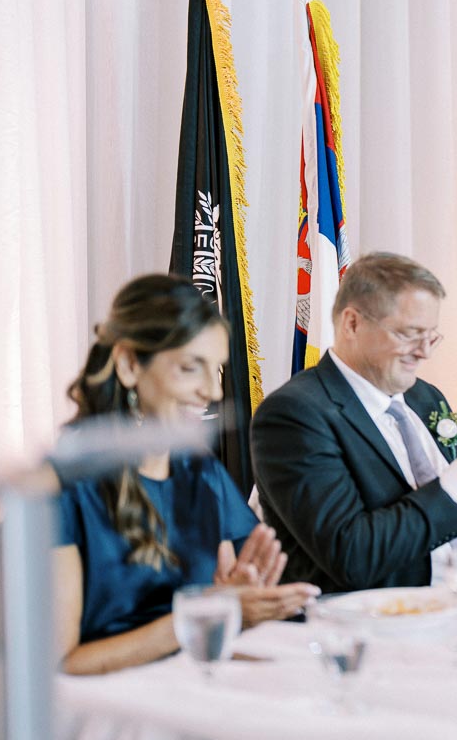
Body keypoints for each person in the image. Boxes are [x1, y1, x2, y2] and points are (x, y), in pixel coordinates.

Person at [55, 274, 317, 676]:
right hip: (105, 707)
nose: (213, 392)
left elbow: (240, 589)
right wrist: (206, 611)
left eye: (218, 371)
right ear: (128, 364)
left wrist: (241, 595)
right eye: (191, 368)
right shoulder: (62, 488)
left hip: (191, 681)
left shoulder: (201, 472)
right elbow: (62, 664)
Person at [251, 252, 457, 593]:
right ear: (352, 324)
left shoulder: (427, 398)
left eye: (431, 337)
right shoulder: (294, 416)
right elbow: (353, 556)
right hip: (374, 625)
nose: (424, 352)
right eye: (410, 334)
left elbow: (450, 519)